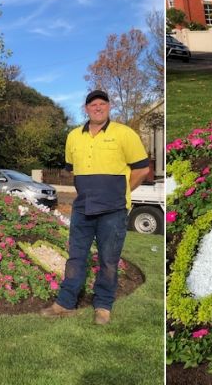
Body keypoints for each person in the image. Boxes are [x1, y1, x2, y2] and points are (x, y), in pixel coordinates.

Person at [41, 89, 150, 324]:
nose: (98, 107)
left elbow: (142, 169)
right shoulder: (73, 136)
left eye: (102, 103)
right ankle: (65, 303)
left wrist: (123, 193)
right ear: (86, 108)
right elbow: (73, 170)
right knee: (75, 257)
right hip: (82, 209)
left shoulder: (124, 134)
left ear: (109, 107)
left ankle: (103, 305)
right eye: (93, 104)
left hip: (114, 210)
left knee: (108, 259)